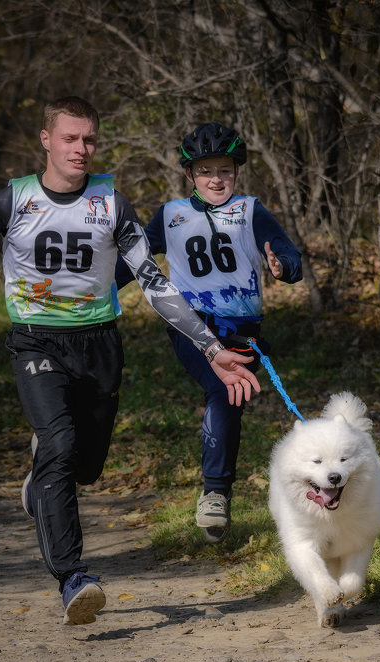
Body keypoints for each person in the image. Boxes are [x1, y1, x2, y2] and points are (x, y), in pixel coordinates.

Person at [0, 97, 261, 625]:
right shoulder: (8, 202)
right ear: (46, 139)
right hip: (36, 343)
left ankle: (42, 478)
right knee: (60, 447)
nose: (80, 149)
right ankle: (73, 577)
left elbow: (153, 284)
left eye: (88, 140)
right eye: (69, 138)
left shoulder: (112, 204)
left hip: (100, 344)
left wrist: (212, 348)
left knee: (84, 468)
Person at [119, 122, 302, 542]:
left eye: (224, 170)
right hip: (192, 325)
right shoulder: (170, 215)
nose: (216, 179)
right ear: (190, 175)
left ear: (236, 171)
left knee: (230, 398)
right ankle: (215, 493)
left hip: (243, 329)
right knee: (223, 388)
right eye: (205, 171)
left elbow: (289, 255)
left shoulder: (250, 210)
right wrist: (94, 293)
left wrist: (283, 267)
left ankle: (217, 493)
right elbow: (132, 262)